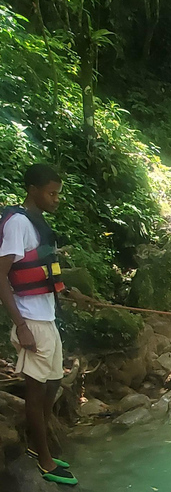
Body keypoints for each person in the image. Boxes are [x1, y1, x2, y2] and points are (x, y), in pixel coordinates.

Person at [0, 164, 78, 485]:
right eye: (51, 193)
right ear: (33, 189)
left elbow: (42, 272)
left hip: (46, 318)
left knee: (54, 381)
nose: (56, 199)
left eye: (58, 193)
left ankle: (37, 443)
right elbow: (2, 275)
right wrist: (20, 325)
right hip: (31, 320)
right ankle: (44, 461)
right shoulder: (18, 223)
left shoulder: (37, 222)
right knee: (36, 391)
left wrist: (69, 291)